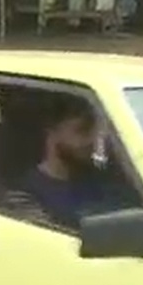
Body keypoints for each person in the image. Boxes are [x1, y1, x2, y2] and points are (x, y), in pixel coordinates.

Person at [15, 95, 122, 230]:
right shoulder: (25, 195)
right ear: (52, 134)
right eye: (82, 130)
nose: (92, 140)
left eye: (95, 131)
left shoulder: (102, 178)